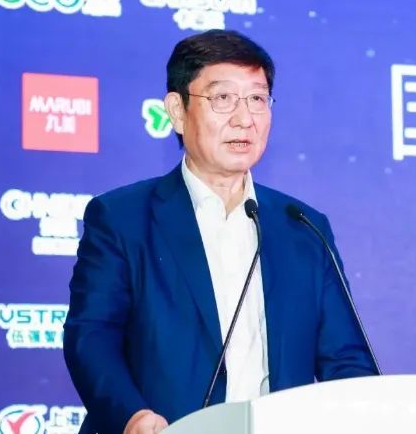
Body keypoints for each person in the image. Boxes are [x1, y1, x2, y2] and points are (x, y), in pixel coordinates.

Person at [63, 30, 378, 434]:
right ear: (177, 111)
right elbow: (92, 337)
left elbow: (347, 360)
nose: (244, 119)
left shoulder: (303, 226)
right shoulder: (122, 217)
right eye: (223, 98)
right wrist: (133, 416)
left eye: (257, 99)